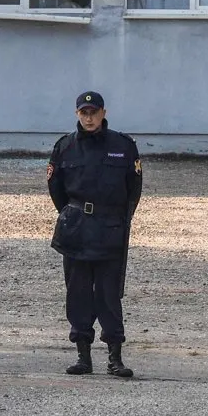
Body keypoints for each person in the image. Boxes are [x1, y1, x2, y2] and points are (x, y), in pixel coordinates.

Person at [47, 91, 142, 378]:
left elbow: (133, 189)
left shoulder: (123, 146)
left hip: (109, 228)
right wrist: (71, 214)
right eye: (83, 112)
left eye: (93, 112)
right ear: (77, 114)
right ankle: (83, 355)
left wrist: (119, 221)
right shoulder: (65, 147)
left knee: (109, 294)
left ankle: (115, 356)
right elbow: (56, 189)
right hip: (76, 228)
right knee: (77, 292)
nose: (88, 118)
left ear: (103, 112)